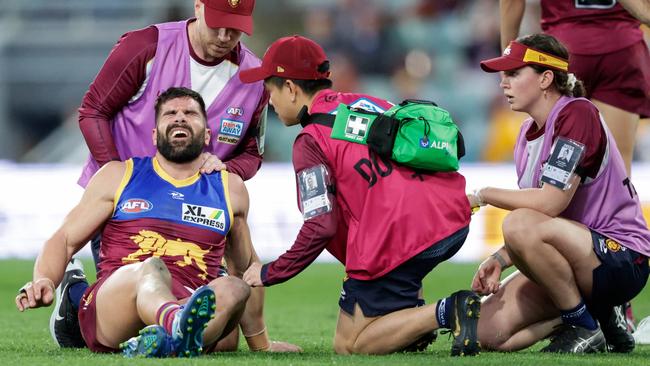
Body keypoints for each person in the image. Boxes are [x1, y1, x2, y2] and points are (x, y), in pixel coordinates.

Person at [238, 35, 481, 356]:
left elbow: (320, 226)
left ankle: (448, 310)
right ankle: (408, 324)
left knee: (350, 345)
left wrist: (270, 271)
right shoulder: (367, 102)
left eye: (271, 91)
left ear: (292, 89)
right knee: (388, 278)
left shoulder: (310, 142)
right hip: (452, 217)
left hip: (402, 235)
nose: (270, 102)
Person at [53, 0, 269, 349]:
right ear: (198, 7)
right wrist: (123, 177)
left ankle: (164, 331)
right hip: (125, 205)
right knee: (139, 288)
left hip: (198, 213)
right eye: (218, 24)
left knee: (224, 340)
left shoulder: (254, 80)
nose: (226, 36)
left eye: (237, 27)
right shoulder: (146, 46)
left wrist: (226, 168)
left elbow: (251, 155)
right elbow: (93, 110)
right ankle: (76, 300)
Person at [17, 87, 298, 357]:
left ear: (207, 134)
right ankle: (176, 326)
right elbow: (64, 239)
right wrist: (42, 280)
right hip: (119, 303)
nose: (180, 117)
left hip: (188, 297)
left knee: (234, 288)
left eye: (190, 113)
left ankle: (168, 341)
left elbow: (245, 268)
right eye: (169, 113)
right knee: (151, 269)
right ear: (154, 135)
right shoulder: (118, 175)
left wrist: (261, 345)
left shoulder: (229, 189)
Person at [469, 33, 650, 354]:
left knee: (516, 224)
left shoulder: (577, 114)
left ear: (546, 78)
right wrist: (500, 258)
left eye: (513, 74)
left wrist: (482, 194)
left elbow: (549, 204)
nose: (503, 84)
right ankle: (595, 318)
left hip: (622, 258)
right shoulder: (525, 134)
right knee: (489, 334)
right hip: (577, 256)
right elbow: (543, 221)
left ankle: (581, 324)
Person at [499, 0, 650, 177]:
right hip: (622, 48)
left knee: (556, 169)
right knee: (617, 167)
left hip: (564, 49)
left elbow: (512, 3)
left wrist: (508, 55)